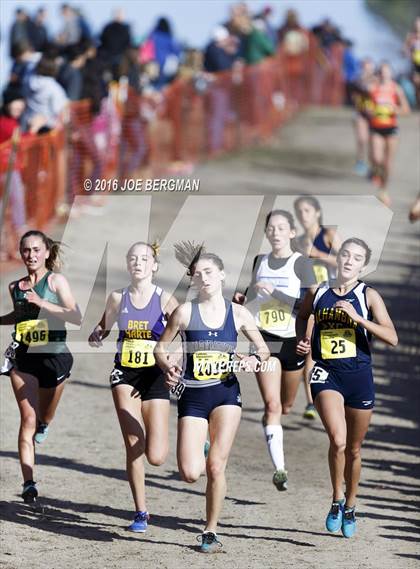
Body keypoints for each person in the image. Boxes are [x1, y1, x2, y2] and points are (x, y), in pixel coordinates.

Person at [155, 243, 269, 553]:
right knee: (191, 473)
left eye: (209, 272)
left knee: (216, 467)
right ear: (191, 279)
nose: (203, 278)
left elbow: (263, 350)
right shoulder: (184, 312)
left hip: (226, 394)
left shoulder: (239, 313)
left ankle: (210, 530)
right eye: (197, 274)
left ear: (221, 275)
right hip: (192, 396)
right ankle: (203, 444)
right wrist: (168, 367)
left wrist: (252, 361)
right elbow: (159, 349)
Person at [296, 238, 398, 538]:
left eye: (356, 258)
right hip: (327, 374)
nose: (349, 261)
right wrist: (303, 339)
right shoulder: (319, 292)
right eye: (345, 255)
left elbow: (392, 337)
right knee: (338, 441)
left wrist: (358, 319)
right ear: (337, 259)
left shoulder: (368, 295)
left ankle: (351, 505)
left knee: (353, 449)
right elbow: (302, 316)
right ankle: (337, 499)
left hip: (359, 378)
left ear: (363, 265)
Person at [88, 242, 178, 532]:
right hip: (124, 374)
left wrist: (172, 361)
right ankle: (141, 512)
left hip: (153, 377)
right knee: (133, 443)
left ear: (154, 266)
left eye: (144, 259)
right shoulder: (118, 298)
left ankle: (194, 440)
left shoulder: (165, 300)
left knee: (157, 456)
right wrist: (97, 334)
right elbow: (103, 325)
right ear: (128, 265)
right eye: (133, 259)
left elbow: (185, 334)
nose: (138, 263)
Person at [233, 210, 316, 490]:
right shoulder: (260, 261)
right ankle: (280, 469)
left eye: (282, 228)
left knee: (287, 405)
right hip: (265, 339)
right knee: (272, 405)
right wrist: (244, 298)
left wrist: (276, 295)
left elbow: (310, 305)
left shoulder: (302, 264)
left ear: (292, 233)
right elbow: (255, 294)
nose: (276, 232)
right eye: (271, 228)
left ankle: (278, 423)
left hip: (292, 341)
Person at [0, 230, 81, 503]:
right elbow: (18, 315)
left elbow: (76, 316)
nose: (31, 255)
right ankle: (28, 483)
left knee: (43, 418)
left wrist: (42, 302)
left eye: (36, 250)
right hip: (24, 359)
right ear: (21, 253)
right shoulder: (15, 287)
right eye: (26, 250)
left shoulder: (56, 282)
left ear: (46, 252)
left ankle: (46, 423)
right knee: (28, 420)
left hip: (54, 358)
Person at [294, 196, 341, 420]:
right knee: (310, 346)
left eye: (307, 210)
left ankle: (336, 393)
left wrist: (318, 254)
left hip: (332, 296)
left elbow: (344, 262)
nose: (304, 215)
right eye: (300, 211)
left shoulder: (329, 235)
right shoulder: (298, 241)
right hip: (309, 297)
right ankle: (311, 402)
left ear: (317, 213)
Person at [368, 62, 410, 206]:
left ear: (391, 73)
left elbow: (406, 110)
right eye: (382, 71)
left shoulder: (396, 89)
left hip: (391, 128)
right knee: (377, 158)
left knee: (387, 163)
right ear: (379, 74)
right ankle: (375, 172)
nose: (384, 74)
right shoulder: (373, 88)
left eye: (387, 71)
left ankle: (383, 190)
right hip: (376, 127)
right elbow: (366, 107)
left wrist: (394, 109)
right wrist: (371, 111)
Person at [351, 58, 376, 176]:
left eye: (369, 66)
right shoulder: (357, 79)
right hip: (361, 113)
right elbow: (357, 91)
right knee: (362, 139)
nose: (367, 69)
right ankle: (360, 161)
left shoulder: (377, 80)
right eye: (365, 66)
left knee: (373, 141)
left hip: (374, 114)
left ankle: (373, 166)